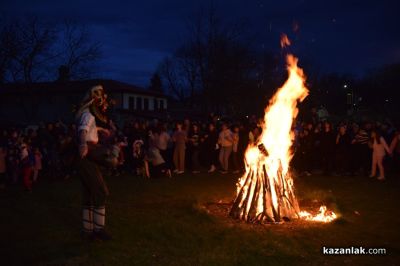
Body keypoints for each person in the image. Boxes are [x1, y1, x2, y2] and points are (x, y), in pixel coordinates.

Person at [76, 85, 115, 241]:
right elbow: (83, 130)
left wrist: (99, 129)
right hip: (87, 156)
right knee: (100, 192)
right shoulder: (89, 115)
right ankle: (98, 230)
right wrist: (83, 144)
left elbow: (87, 126)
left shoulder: (86, 114)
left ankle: (88, 231)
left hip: (85, 157)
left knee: (89, 193)